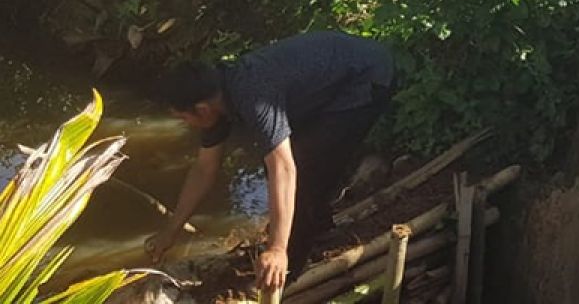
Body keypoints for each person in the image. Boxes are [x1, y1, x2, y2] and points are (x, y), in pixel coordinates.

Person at [145, 31, 396, 292]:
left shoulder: (254, 97)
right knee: (285, 164)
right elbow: (203, 170)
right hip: (327, 83)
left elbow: (284, 168)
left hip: (366, 77)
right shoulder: (217, 98)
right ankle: (315, 225)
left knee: (303, 168)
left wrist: (277, 248)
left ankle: (289, 268)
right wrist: (169, 232)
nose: (186, 124)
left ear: (202, 109)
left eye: (183, 118)